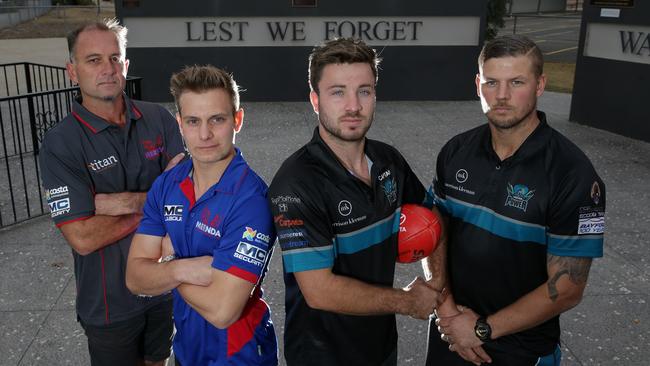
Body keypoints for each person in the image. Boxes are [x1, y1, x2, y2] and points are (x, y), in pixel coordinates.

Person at [424, 34, 606, 366]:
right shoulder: (455, 152)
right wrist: (448, 309)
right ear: (478, 84)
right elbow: (433, 232)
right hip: (450, 333)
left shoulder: (572, 174)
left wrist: (480, 330)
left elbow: (568, 287)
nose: (502, 95)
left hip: (521, 350)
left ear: (540, 85)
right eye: (492, 82)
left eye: (516, 82)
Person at [268, 38, 443, 366]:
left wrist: (436, 283)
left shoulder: (388, 160)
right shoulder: (296, 182)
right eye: (337, 92)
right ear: (315, 100)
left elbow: (432, 216)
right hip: (322, 356)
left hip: (381, 347)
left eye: (364, 91)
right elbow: (320, 290)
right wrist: (406, 302)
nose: (353, 106)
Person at [39, 19, 185, 365]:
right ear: (72, 71)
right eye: (93, 60)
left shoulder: (159, 119)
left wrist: (118, 203)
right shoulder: (60, 144)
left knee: (158, 361)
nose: (107, 69)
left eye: (114, 58)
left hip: (164, 285)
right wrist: (156, 201)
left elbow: (185, 198)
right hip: (109, 303)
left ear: (126, 65)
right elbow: (84, 237)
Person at [125, 65, 278, 366]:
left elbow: (224, 310)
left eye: (217, 120)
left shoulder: (252, 200)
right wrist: (186, 269)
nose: (205, 134)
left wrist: (167, 262)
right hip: (186, 347)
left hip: (239, 354)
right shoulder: (168, 184)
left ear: (238, 120)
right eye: (193, 121)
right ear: (180, 124)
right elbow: (133, 278)